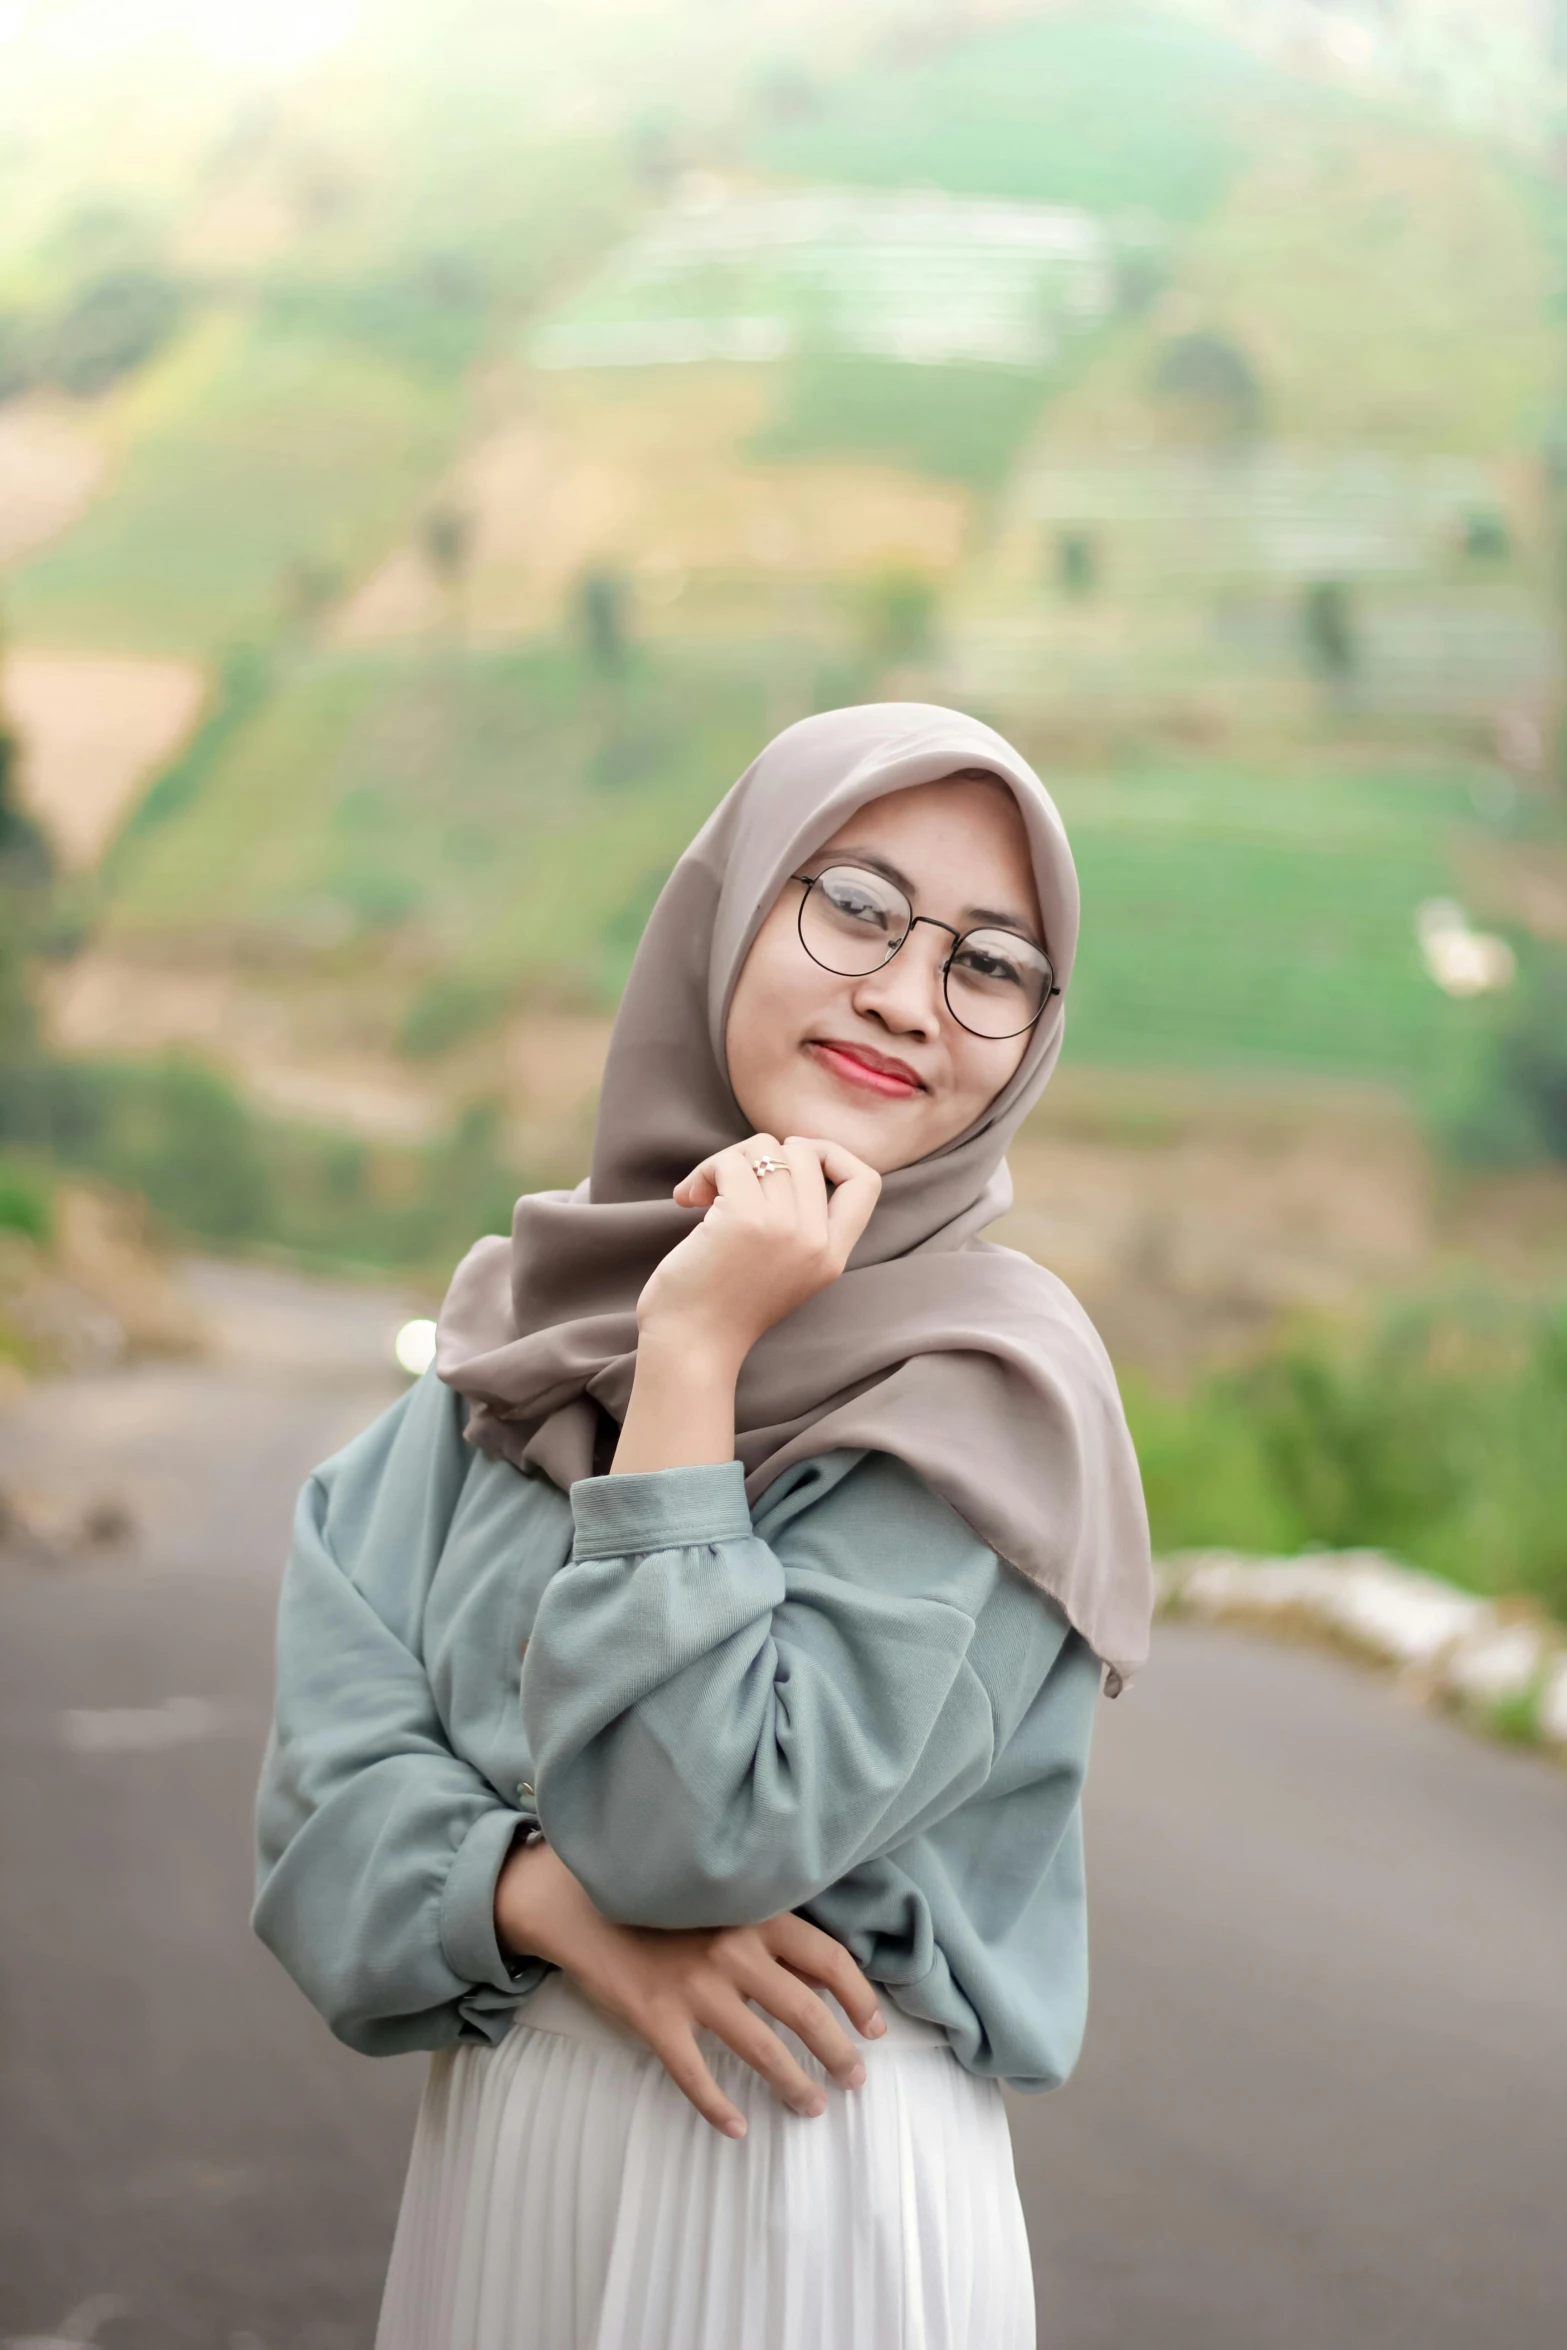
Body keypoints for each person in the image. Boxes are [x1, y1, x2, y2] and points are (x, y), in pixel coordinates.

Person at [252, 703, 1153, 2350]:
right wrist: (544, 1903)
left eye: (991, 963)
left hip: (804, 2180)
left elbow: (702, 1826)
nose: (904, 993)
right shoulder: (508, 1342)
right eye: (858, 905)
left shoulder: (989, 1398)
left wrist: (692, 1352)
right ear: (722, 911)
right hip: (508, 2168)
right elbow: (316, 1814)